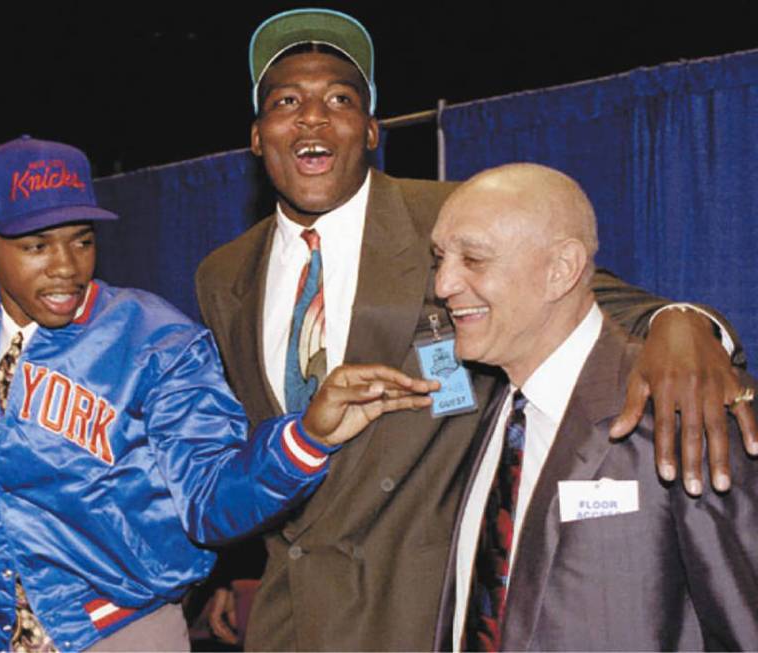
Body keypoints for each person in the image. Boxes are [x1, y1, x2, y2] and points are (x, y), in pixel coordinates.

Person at [194, 8, 757, 650]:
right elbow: (250, 435)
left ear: (372, 130)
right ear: (257, 135)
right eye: (287, 101)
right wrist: (233, 570)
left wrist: (685, 324)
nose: (313, 117)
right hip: (287, 623)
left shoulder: (447, 219)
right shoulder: (224, 274)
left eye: (340, 99)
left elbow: (583, 292)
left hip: (414, 614)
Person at [0, 135, 437, 652]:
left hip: (121, 631)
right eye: (36, 245)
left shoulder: (155, 340)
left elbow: (212, 498)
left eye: (81, 240)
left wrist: (305, 439)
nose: (66, 266)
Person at [430, 163, 758, 650]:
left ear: (561, 270)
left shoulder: (683, 410)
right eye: (439, 258)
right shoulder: (481, 403)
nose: (442, 285)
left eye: (473, 259)